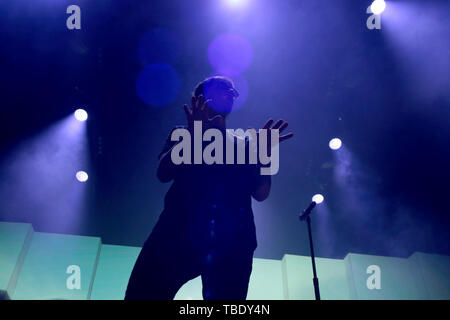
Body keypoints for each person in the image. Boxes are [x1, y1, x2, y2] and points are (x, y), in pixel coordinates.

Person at [125, 76, 293, 300]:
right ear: (200, 99)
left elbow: (261, 193)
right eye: (220, 90)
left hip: (232, 240)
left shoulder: (244, 143)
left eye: (231, 92)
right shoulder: (183, 134)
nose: (228, 94)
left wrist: (265, 155)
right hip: (177, 233)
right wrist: (194, 136)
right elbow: (163, 173)